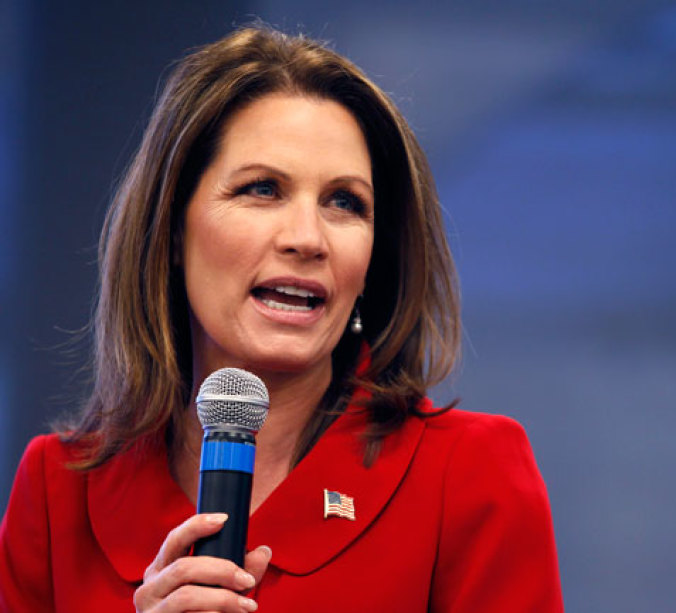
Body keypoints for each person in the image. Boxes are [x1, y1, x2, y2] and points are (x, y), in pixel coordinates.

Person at [0, 25, 563, 612]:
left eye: (345, 203)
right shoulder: (58, 489)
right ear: (171, 228)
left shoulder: (471, 475)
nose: (306, 238)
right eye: (262, 189)